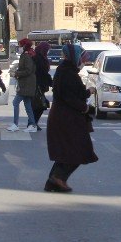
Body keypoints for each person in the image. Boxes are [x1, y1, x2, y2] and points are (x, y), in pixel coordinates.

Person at [45, 43, 97, 192]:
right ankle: (58, 178)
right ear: (75, 57)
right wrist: (85, 107)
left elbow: (74, 93)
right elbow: (69, 97)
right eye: (82, 58)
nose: (83, 62)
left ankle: (53, 181)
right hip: (66, 118)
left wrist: (87, 92)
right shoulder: (68, 73)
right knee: (77, 150)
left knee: (65, 151)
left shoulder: (66, 70)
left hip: (65, 116)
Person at [8, 38, 38, 132]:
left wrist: (17, 73)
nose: (19, 47)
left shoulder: (26, 56)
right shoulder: (29, 54)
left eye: (20, 46)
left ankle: (16, 124)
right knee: (27, 105)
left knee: (15, 102)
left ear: (24, 46)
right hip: (27, 83)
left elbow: (28, 70)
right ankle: (32, 125)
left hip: (26, 84)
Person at [31, 42, 53, 129]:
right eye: (47, 50)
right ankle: (33, 123)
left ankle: (33, 123)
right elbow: (43, 73)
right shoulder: (38, 58)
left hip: (40, 85)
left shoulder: (41, 57)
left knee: (39, 105)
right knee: (40, 105)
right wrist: (51, 82)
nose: (48, 52)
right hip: (37, 85)